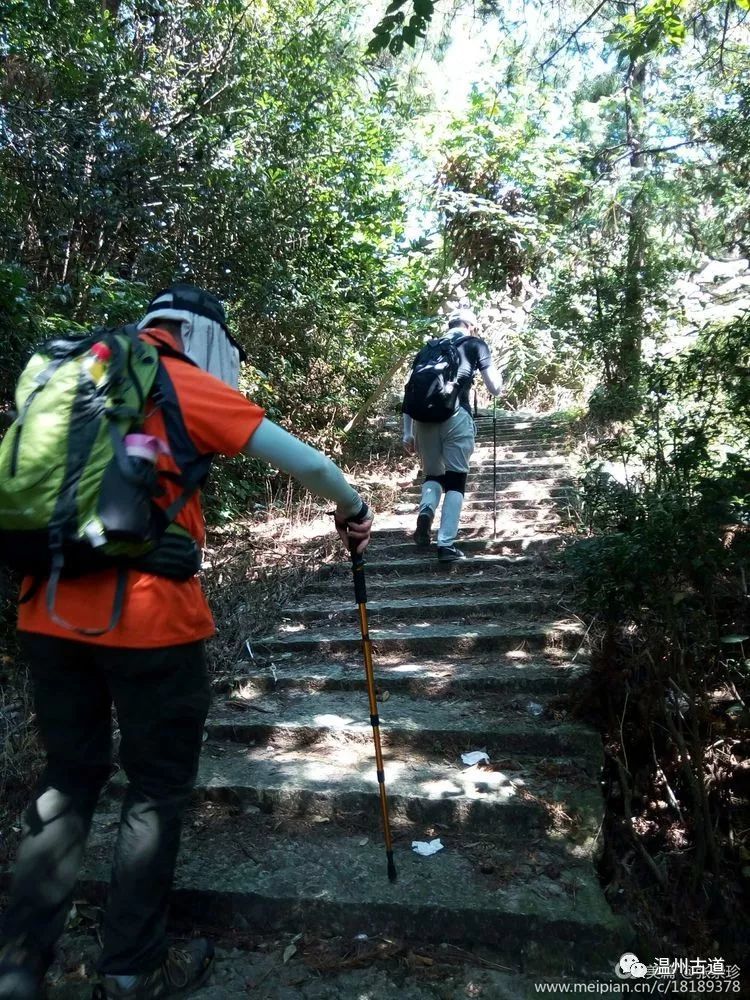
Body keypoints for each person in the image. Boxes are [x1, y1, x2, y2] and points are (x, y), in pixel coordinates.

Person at [0, 284, 373, 1000]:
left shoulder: (76, 374)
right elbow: (312, 467)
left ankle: (19, 969)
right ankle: (132, 969)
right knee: (156, 787)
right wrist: (354, 507)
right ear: (204, 336)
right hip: (151, 627)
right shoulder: (183, 381)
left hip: (44, 613)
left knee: (68, 780)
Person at [402, 306, 502, 563]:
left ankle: (426, 510)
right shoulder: (474, 344)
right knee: (456, 480)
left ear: (450, 325)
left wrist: (407, 432)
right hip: (457, 416)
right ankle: (446, 544)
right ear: (471, 326)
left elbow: (410, 389)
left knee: (433, 475)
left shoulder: (429, 349)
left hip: (423, 421)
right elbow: (495, 387)